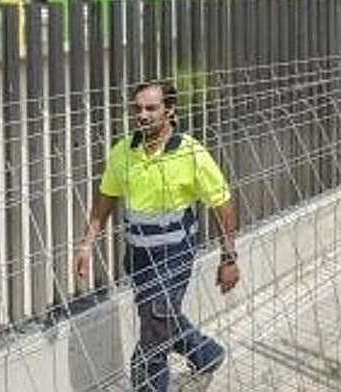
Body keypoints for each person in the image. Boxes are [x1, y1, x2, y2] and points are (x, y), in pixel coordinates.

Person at [73, 80, 240, 391]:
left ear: (170, 110)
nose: (143, 115)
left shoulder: (190, 152)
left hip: (175, 252)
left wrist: (228, 257)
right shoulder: (123, 151)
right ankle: (206, 354)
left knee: (154, 331)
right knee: (160, 319)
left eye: (151, 108)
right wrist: (86, 244)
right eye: (138, 109)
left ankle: (148, 385)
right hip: (137, 256)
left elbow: (223, 205)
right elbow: (105, 201)